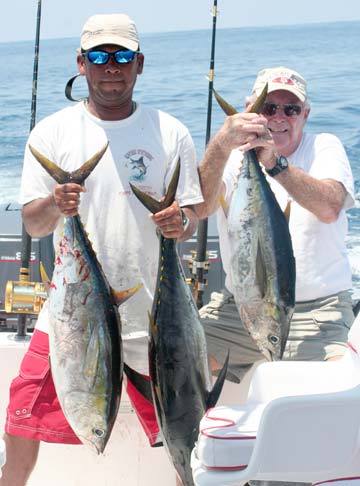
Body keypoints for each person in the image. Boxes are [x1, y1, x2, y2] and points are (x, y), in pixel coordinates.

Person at [0, 13, 202, 486]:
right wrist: (56, 201)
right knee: (21, 421)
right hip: (71, 314)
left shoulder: (170, 132)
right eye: (99, 55)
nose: (112, 66)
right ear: (81, 63)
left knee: (183, 438)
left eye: (122, 56)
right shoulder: (51, 134)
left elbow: (192, 217)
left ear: (140, 64)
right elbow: (33, 220)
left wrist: (181, 221)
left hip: (158, 317)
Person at [196, 66, 355, 385]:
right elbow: (201, 207)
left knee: (341, 387)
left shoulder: (324, 145)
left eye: (291, 109)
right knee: (173, 355)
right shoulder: (231, 157)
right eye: (269, 108)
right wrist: (220, 144)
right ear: (248, 110)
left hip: (318, 313)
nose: (279, 117)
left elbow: (330, 207)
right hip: (236, 310)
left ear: (305, 114)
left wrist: (274, 162)